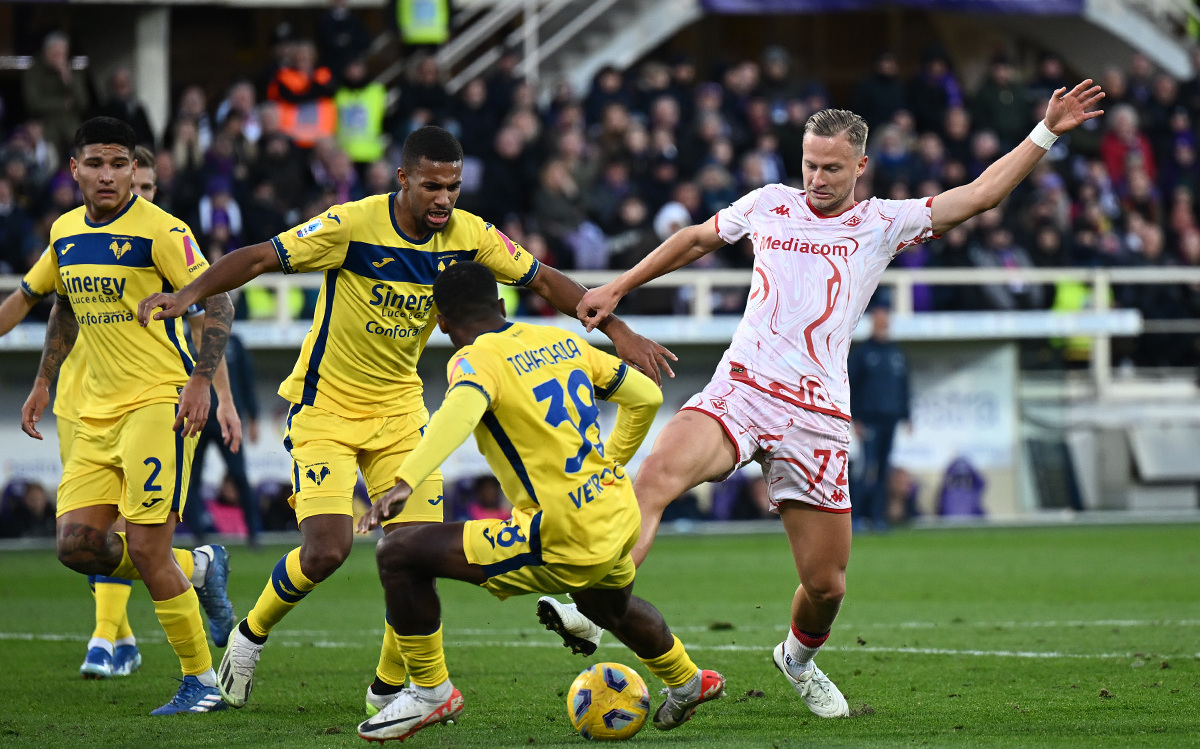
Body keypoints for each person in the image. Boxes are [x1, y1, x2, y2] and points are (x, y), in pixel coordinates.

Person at [543, 80, 1106, 719]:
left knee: (825, 586)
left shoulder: (882, 224)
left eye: (832, 168)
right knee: (653, 480)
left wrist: (1046, 131)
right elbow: (697, 238)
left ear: (861, 165)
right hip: (741, 390)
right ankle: (591, 607)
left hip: (815, 415)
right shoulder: (769, 204)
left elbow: (979, 196)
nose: (817, 178)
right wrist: (619, 286)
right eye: (810, 164)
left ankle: (798, 658)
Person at [136, 125, 674, 715]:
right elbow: (261, 255)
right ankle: (250, 635)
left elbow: (544, 279)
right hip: (325, 407)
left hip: (400, 411)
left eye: (453, 187)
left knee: (413, 550)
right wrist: (187, 295)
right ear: (403, 179)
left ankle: (391, 687)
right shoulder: (352, 225)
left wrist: (616, 328)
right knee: (326, 551)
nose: (444, 199)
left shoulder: (471, 236)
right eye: (432, 186)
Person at [354, 261, 725, 742]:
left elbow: (458, 413)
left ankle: (430, 691)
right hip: (616, 511)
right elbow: (645, 398)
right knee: (607, 606)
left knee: (398, 553)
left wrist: (406, 480)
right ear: (501, 304)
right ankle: (688, 680)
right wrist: (611, 465)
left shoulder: (475, 360)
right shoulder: (559, 340)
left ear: (440, 322)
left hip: (563, 530)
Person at [19, 117, 237, 714]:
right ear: (75, 169)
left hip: (156, 402)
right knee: (78, 545)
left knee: (144, 546)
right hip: (93, 413)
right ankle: (199, 567)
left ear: (135, 169)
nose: (108, 175)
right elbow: (65, 307)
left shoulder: (162, 230)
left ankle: (201, 683)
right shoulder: (64, 232)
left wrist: (201, 382)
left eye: (119, 164)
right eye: (96, 163)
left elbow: (218, 300)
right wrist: (43, 381)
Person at [848, 302, 911, 532]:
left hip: (890, 420)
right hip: (869, 421)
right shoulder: (863, 354)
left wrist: (907, 415)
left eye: (885, 318)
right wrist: (856, 418)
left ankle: (877, 517)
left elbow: (904, 386)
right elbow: (851, 387)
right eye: (878, 318)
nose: (882, 323)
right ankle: (855, 516)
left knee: (884, 470)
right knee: (866, 469)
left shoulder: (896, 353)